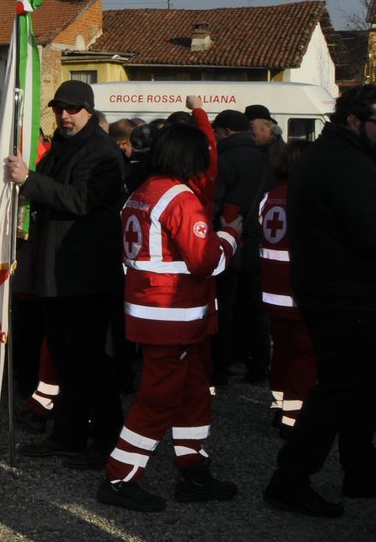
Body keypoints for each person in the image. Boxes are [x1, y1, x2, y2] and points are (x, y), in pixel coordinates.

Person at [265, 84, 376, 517]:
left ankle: (361, 470)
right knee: (339, 389)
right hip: (349, 296)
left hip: (345, 292)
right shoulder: (343, 163)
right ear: (353, 120)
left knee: (359, 390)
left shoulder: (336, 156)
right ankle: (290, 479)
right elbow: (373, 234)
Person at [98, 120, 242, 512]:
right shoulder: (180, 198)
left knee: (193, 391)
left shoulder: (143, 192)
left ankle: (192, 468)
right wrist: (231, 235)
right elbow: (206, 261)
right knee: (158, 399)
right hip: (172, 316)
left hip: (156, 312)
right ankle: (119, 476)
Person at [4, 79, 126, 468]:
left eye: (72, 109)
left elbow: (80, 199)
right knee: (64, 358)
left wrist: (29, 181)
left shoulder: (102, 152)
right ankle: (68, 434)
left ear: (88, 110)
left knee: (91, 361)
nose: (64, 115)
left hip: (84, 276)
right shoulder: (63, 145)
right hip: (56, 274)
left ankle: (105, 440)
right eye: (59, 108)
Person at [211, 108, 271, 387]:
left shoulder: (224, 160)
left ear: (225, 131)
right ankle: (259, 367)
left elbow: (215, 201)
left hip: (230, 241)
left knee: (224, 308)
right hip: (257, 244)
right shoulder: (265, 159)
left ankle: (220, 369)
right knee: (255, 310)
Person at [260, 140, 314, 436]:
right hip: (299, 289)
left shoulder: (270, 196)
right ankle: (293, 418)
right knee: (304, 356)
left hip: (271, 288)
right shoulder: (305, 196)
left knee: (281, 351)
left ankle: (280, 405)